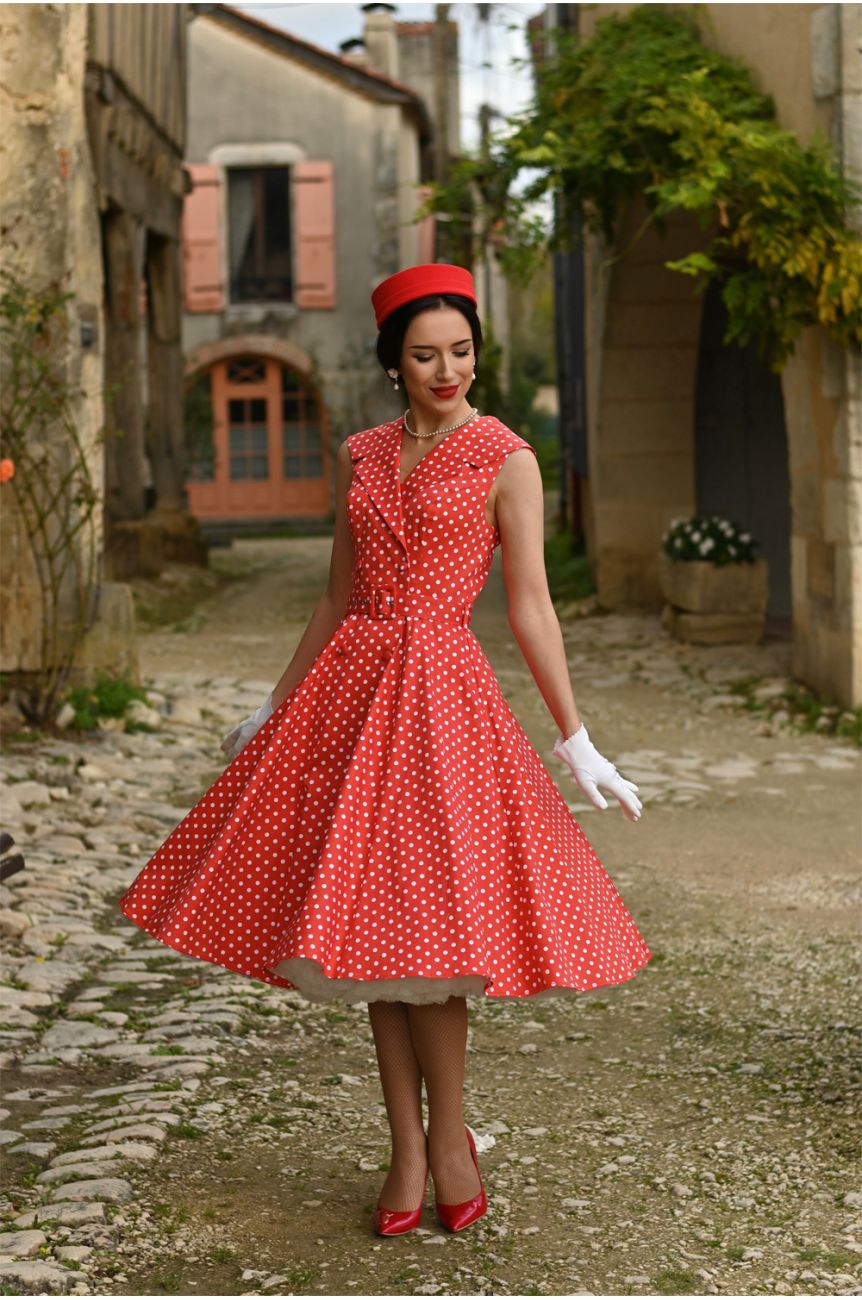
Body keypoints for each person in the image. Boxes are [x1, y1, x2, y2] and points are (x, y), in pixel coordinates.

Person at [118, 262, 651, 1238]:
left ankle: (450, 1138)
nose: (446, 369)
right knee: (369, 937)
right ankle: (404, 1145)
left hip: (444, 702)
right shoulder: (362, 453)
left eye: (461, 350)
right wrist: (274, 707)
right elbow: (334, 594)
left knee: (433, 940)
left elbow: (528, 603)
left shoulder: (506, 456)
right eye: (424, 354)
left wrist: (574, 739)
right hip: (350, 700)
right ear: (391, 362)